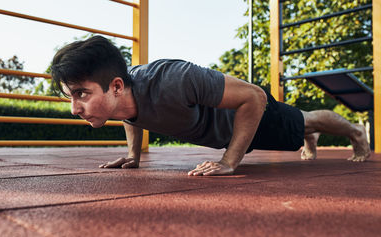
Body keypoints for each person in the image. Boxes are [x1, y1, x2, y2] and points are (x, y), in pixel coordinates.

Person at [50, 35, 371, 176]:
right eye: (70, 96)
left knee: (306, 120)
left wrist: (230, 161)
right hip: (231, 131)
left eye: (80, 94)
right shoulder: (122, 96)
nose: (74, 108)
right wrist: (133, 156)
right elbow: (131, 114)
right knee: (301, 125)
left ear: (115, 86)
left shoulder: (173, 79)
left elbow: (254, 97)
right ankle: (305, 132)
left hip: (251, 115)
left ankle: (355, 133)